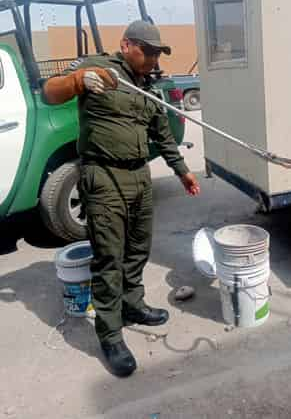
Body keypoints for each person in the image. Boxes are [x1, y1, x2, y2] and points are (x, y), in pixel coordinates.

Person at [42, 20, 200, 377]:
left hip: (139, 177)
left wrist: (182, 171)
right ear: (126, 44)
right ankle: (110, 335)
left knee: (138, 249)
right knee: (109, 257)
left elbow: (162, 133)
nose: (153, 59)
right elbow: (50, 92)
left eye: (158, 53)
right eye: (148, 51)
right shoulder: (96, 68)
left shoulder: (148, 86)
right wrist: (79, 81)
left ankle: (132, 305)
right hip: (104, 176)